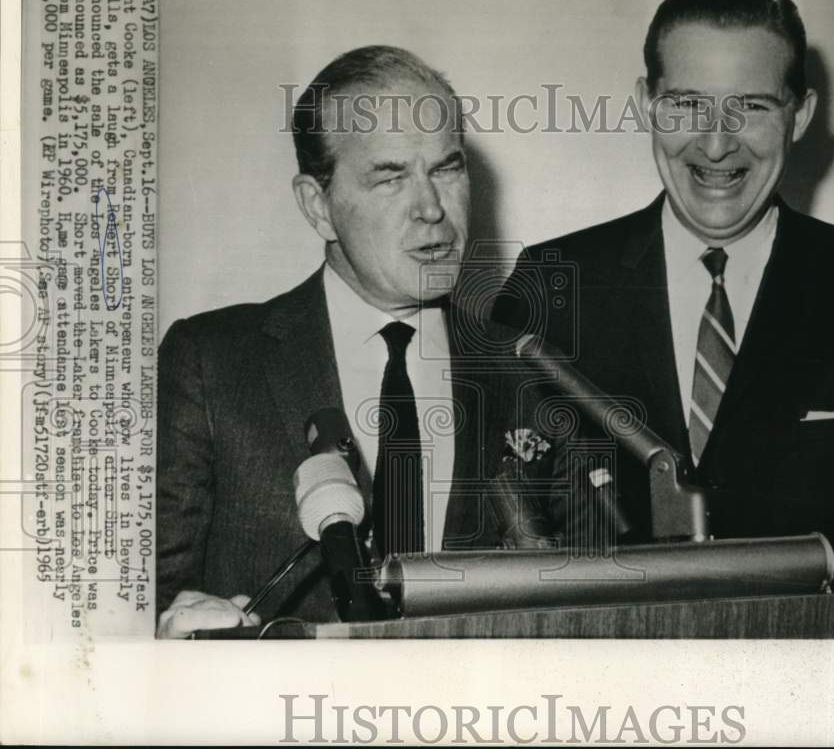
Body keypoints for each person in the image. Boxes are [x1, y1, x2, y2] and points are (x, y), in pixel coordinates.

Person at [493, 0, 834, 611]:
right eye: (687, 104)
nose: (716, 144)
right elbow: (496, 512)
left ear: (800, 115)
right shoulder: (553, 282)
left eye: (750, 106)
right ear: (646, 104)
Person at [156, 46, 576, 638]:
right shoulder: (210, 362)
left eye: (447, 168)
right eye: (390, 176)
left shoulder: (532, 371)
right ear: (318, 206)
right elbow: (144, 600)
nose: (432, 209)